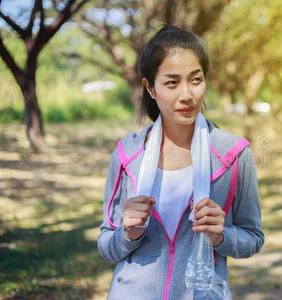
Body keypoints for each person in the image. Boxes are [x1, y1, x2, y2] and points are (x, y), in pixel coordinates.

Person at [97, 24, 264, 300]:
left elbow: (253, 237)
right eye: (172, 83)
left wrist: (221, 236)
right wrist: (128, 233)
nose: (187, 94)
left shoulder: (233, 154)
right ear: (150, 88)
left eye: (195, 80)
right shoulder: (128, 154)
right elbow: (106, 244)